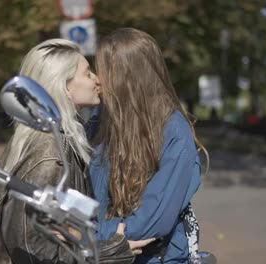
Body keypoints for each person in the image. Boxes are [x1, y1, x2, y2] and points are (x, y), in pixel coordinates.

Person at [0, 39, 153, 264]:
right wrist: (111, 250)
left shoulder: (59, 139)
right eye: (87, 72)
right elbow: (30, 245)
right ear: (65, 87)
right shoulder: (49, 153)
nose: (97, 79)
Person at [89, 28, 206, 263]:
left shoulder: (173, 130)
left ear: (125, 76)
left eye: (102, 70)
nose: (96, 78)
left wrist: (91, 235)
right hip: (105, 254)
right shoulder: (102, 120)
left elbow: (152, 220)